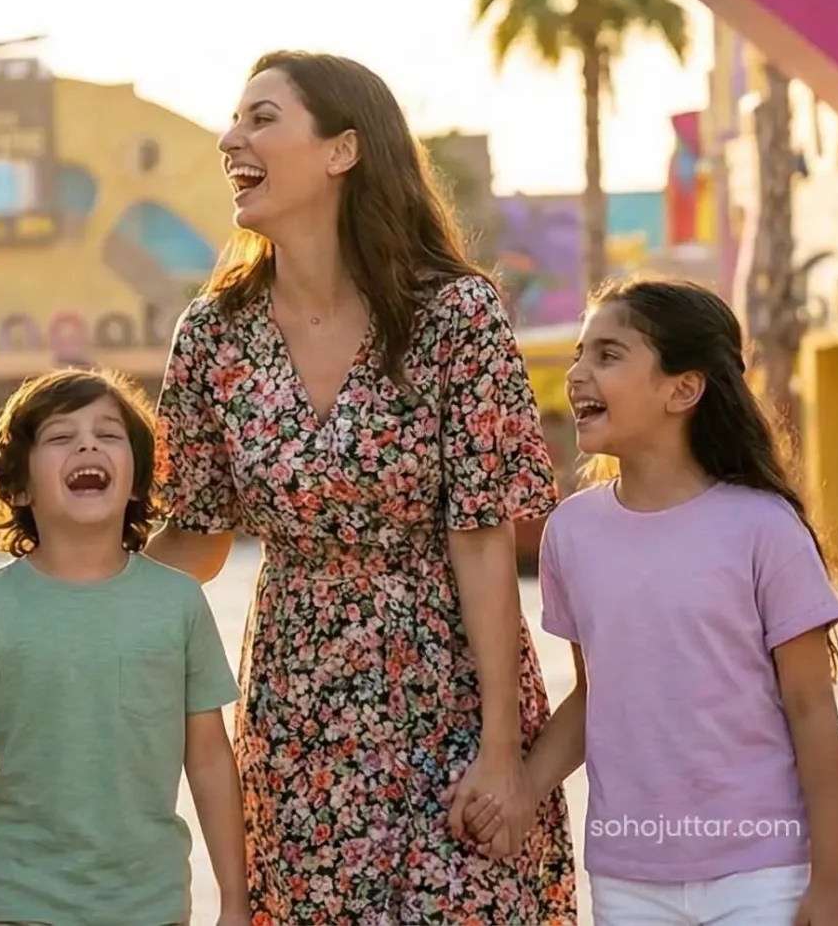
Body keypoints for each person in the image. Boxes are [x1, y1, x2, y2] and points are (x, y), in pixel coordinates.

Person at [148, 51, 578, 923]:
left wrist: (503, 749)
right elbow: (195, 537)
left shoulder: (456, 314)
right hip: (297, 715)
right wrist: (49, 596)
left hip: (453, 696)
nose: (230, 138)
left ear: (343, 149)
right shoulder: (213, 335)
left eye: (262, 117)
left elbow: (482, 536)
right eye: (235, 119)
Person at [485, 278, 838, 926]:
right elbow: (595, 693)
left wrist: (829, 884)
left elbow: (812, 709)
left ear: (683, 390)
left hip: (761, 872)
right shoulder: (572, 533)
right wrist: (521, 790)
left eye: (608, 354)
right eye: (579, 353)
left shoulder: (763, 528)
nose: (577, 374)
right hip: (628, 877)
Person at [0, 369, 253, 926]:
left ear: (137, 481)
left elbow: (209, 759)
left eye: (108, 434)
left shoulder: (179, 604)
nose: (87, 445)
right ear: (19, 487)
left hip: (151, 907)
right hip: (20, 905)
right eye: (60, 436)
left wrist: (235, 901)